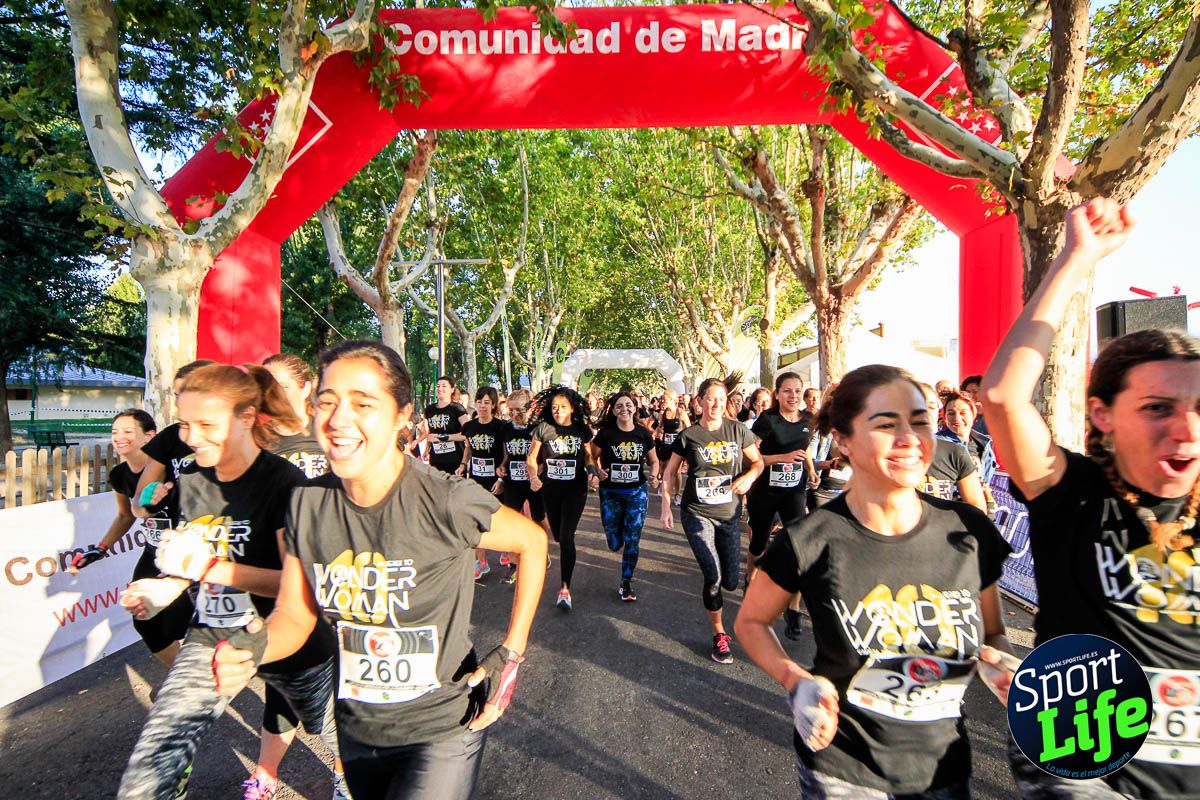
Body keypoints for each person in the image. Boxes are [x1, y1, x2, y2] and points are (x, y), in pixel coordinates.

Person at [213, 340, 548, 800]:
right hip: (357, 729)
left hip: (442, 728)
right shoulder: (306, 504)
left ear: (400, 416)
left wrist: (512, 652)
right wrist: (252, 648)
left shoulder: (445, 499)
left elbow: (532, 541)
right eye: (327, 402)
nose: (338, 419)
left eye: (363, 404)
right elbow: (294, 615)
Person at [982, 198, 1200, 799]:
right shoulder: (1071, 492)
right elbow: (1002, 398)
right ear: (1102, 415)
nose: (1185, 430)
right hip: (1083, 769)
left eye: (1198, 408)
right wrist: (1076, 260)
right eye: (1157, 408)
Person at [736, 363, 1015, 799]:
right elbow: (751, 623)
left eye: (919, 421)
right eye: (886, 424)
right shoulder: (809, 539)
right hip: (844, 770)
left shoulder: (969, 530)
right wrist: (796, 680)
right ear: (844, 440)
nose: (909, 439)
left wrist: (1001, 663)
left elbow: (994, 631)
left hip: (944, 768)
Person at [117, 364, 345, 800]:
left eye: (206, 425)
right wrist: (164, 589)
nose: (191, 437)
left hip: (289, 637)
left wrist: (210, 569)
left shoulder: (285, 483)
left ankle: (347, 774)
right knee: (157, 754)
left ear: (245, 417)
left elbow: (297, 587)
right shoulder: (192, 480)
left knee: (330, 728)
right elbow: (189, 560)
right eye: (185, 424)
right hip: (214, 633)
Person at [70, 410, 192, 667]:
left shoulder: (172, 466)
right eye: (115, 432)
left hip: (186, 555)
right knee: (145, 621)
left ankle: (214, 675)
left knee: (183, 621)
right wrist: (100, 549)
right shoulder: (119, 475)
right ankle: (184, 676)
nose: (119, 438)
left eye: (128, 431)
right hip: (154, 554)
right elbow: (126, 515)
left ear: (150, 436)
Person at [660, 378, 763, 664]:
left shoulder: (737, 430)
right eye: (711, 398)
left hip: (729, 515)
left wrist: (749, 476)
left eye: (721, 399)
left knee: (729, 581)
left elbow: (758, 462)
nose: (716, 404)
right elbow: (669, 472)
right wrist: (666, 507)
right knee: (713, 577)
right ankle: (719, 634)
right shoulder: (689, 435)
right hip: (697, 513)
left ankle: (731, 587)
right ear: (700, 402)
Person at [746, 374, 818, 641]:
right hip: (765, 491)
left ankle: (793, 607)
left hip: (794, 492)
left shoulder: (808, 420)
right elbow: (750, 456)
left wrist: (811, 470)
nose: (793, 396)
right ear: (777, 394)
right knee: (759, 544)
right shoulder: (768, 420)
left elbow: (804, 450)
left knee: (798, 547)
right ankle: (750, 579)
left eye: (797, 391)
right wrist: (781, 458)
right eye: (787, 391)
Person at [589, 392, 660, 602]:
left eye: (628, 405)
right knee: (614, 542)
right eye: (619, 406)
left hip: (637, 492)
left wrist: (654, 475)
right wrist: (598, 471)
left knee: (632, 538)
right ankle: (616, 538)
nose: (624, 409)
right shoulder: (606, 434)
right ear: (613, 410)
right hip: (610, 493)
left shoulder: (643, 433)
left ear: (635, 408)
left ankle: (626, 583)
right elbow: (591, 457)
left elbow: (654, 461)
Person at [528, 386, 594, 611]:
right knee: (557, 534)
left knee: (566, 537)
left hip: (575, 489)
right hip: (551, 488)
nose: (558, 411)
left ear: (572, 409)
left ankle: (565, 588)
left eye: (563, 407)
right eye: (555, 407)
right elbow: (532, 457)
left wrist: (593, 470)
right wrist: (533, 476)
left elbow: (588, 455)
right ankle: (564, 578)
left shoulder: (581, 429)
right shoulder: (543, 428)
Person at [131, 359, 216, 523]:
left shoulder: (235, 437)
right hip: (183, 532)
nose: (180, 402)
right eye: (177, 395)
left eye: (188, 394)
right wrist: (151, 502)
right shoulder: (169, 437)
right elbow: (138, 507)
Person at [497, 388, 550, 584]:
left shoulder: (539, 428)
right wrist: (502, 467)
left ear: (531, 408)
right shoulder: (506, 428)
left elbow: (548, 455)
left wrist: (538, 471)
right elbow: (506, 453)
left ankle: (543, 550)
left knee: (539, 518)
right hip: (513, 482)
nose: (514, 415)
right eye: (510, 411)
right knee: (510, 521)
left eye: (519, 411)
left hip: (535, 483)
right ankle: (513, 565)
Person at [458, 386, 509, 579]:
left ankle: (507, 549)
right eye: (479, 402)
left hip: (495, 481)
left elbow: (506, 453)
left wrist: (501, 476)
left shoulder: (501, 427)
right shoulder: (469, 427)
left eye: (486, 403)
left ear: (493, 405)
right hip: (476, 479)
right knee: (475, 520)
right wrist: (463, 465)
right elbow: (468, 448)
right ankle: (482, 561)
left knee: (499, 520)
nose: (482, 406)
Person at [917, 384, 988, 513]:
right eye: (951, 413)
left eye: (931, 407)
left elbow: (977, 505)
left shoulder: (983, 445)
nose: (957, 418)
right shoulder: (890, 452)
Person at [263, 353, 328, 479]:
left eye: (283, 387)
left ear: (306, 389)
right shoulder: (257, 440)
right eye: (266, 387)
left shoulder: (327, 431)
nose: (273, 394)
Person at [420, 376, 469, 475]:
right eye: (438, 386)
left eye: (444, 386)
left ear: (452, 389)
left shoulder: (457, 408)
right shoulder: (430, 409)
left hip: (455, 459)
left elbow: (468, 432)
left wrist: (443, 437)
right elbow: (431, 431)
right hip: (436, 458)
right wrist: (426, 449)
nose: (440, 389)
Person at [654, 390, 691, 508]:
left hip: (678, 445)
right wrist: (656, 433)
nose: (663, 401)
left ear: (672, 399)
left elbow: (689, 428)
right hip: (666, 444)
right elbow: (660, 426)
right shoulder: (664, 413)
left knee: (677, 471)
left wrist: (685, 439)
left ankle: (677, 494)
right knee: (662, 469)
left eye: (665, 399)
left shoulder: (681, 412)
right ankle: (664, 487)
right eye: (663, 399)